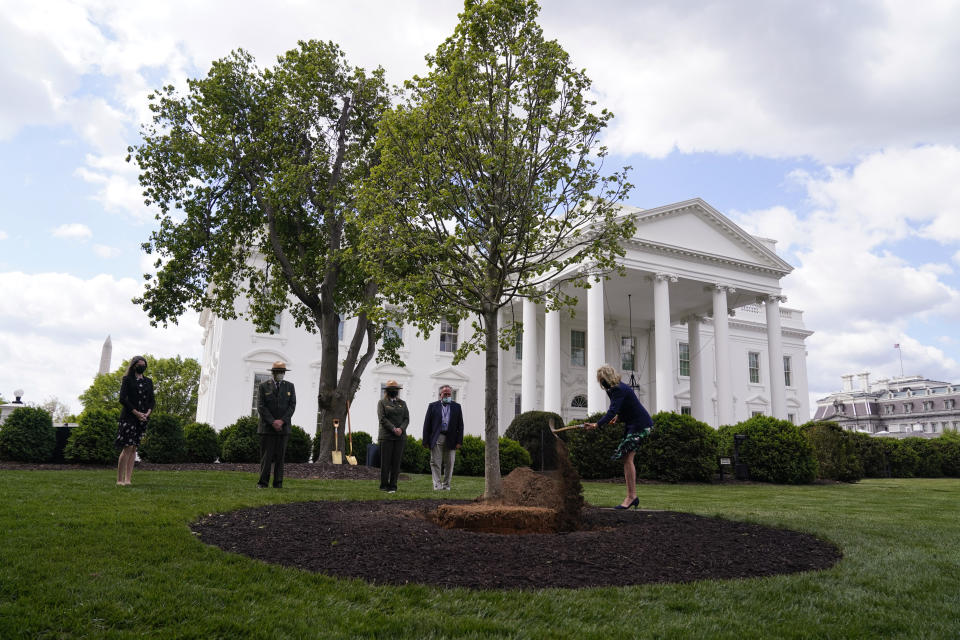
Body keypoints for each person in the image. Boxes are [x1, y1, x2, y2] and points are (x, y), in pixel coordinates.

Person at [585, 364, 653, 509]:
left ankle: (631, 497)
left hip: (641, 425)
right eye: (600, 380)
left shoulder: (618, 389)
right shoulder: (613, 389)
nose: (601, 383)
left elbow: (612, 410)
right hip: (632, 424)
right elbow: (623, 408)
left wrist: (597, 424)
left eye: (602, 379)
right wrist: (619, 418)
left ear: (608, 377)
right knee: (626, 458)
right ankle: (632, 496)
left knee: (627, 458)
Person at [115, 355, 155, 486]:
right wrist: (136, 413)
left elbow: (152, 401)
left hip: (142, 418)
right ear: (134, 365)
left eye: (144, 364)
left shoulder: (148, 382)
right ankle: (120, 480)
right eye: (140, 364)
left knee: (134, 449)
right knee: (127, 447)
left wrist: (146, 414)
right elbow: (122, 399)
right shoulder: (127, 380)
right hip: (129, 417)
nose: (142, 366)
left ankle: (128, 479)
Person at [256, 361, 296, 489]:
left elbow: (292, 406)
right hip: (267, 428)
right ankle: (263, 483)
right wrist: (273, 421)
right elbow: (261, 407)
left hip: (283, 429)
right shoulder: (263, 386)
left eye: (282, 372)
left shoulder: (290, 386)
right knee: (266, 458)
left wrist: (282, 421)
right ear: (273, 373)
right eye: (278, 372)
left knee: (280, 458)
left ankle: (278, 483)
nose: (280, 374)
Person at [422, 385, 464, 490]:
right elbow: (427, 424)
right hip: (437, 437)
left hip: (451, 438)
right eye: (445, 394)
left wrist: (459, 441)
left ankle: (446, 485)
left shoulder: (457, 407)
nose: (447, 395)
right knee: (435, 462)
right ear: (440, 395)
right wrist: (425, 440)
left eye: (449, 394)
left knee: (450, 463)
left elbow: (460, 425)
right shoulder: (432, 406)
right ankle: (437, 485)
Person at [377, 379, 409, 493]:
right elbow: (382, 418)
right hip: (386, 436)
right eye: (391, 389)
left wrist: (401, 429)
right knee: (385, 463)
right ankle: (384, 485)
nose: (393, 391)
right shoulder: (382, 403)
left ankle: (393, 486)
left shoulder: (402, 403)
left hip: (400, 437)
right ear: (387, 390)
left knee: (396, 463)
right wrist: (393, 428)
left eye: (395, 389)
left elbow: (406, 418)